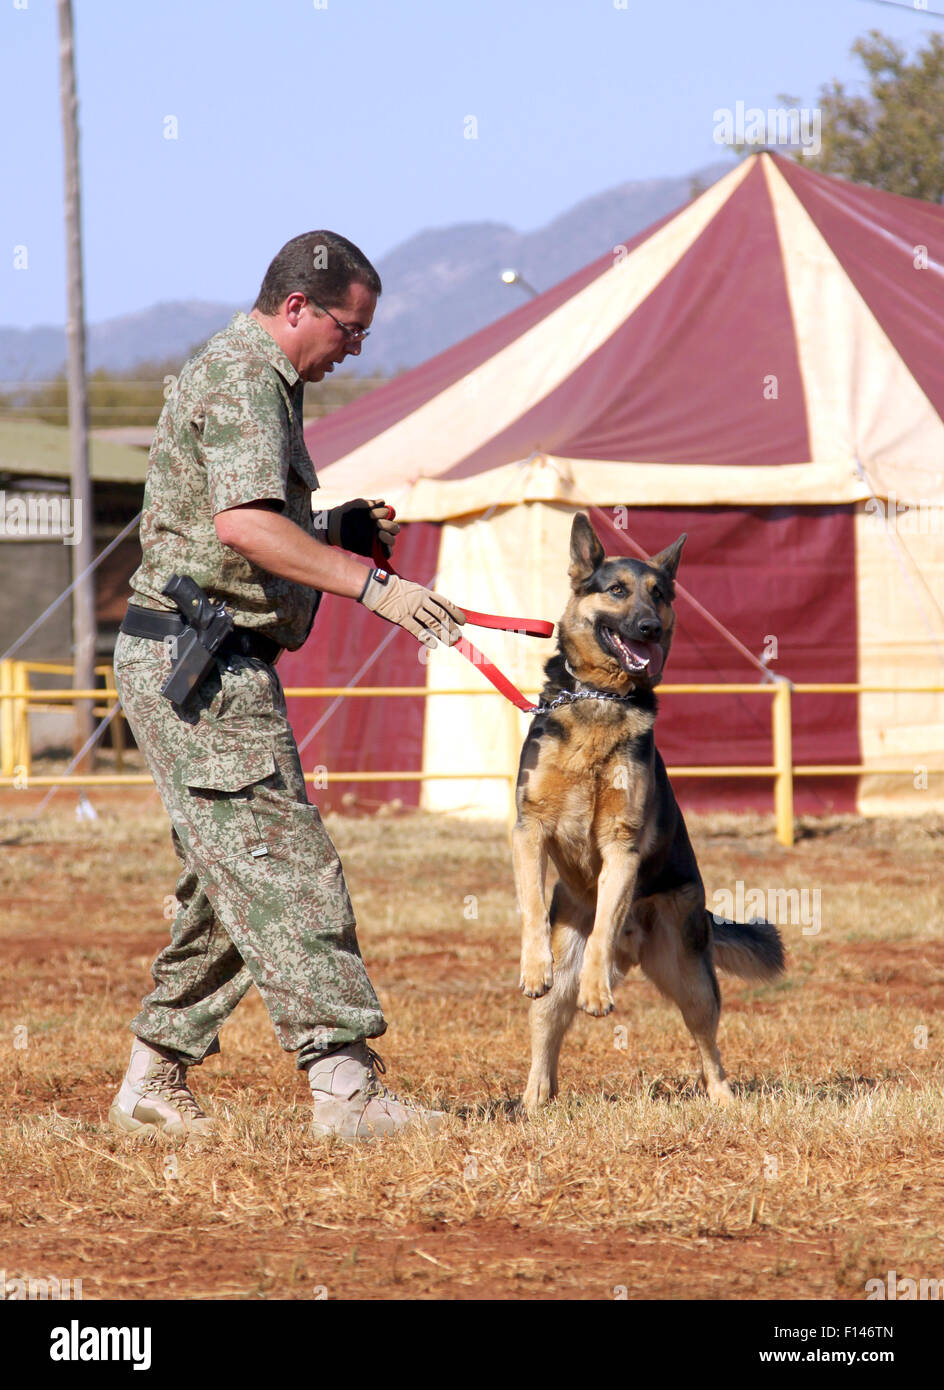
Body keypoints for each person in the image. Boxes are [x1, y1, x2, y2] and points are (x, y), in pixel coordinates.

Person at [109, 231, 465, 1142]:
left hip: (210, 658)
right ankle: (346, 1090)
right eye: (350, 329)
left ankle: (154, 1080)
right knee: (292, 873)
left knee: (235, 880)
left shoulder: (264, 380)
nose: (353, 349)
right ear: (298, 306)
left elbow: (253, 519)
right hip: (203, 664)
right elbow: (243, 530)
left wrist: (335, 524)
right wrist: (376, 586)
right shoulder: (243, 375)